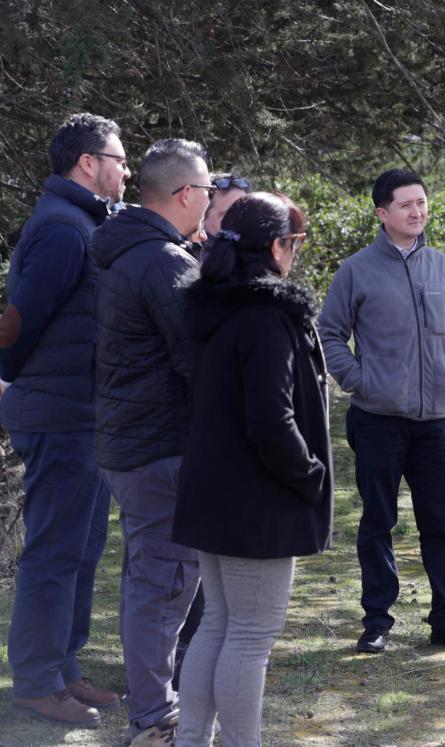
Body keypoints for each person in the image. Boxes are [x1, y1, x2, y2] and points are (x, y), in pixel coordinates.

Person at [173, 192, 332, 747]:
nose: (297, 254)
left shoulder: (218, 304)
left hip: (214, 492)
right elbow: (272, 419)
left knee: (220, 623)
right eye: (295, 243)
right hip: (254, 503)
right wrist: (310, 475)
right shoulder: (264, 314)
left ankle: (193, 739)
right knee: (249, 634)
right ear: (275, 247)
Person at [319, 168, 445, 654]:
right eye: (406, 204)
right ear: (382, 213)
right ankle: (376, 620)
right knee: (377, 522)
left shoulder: (443, 267)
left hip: (438, 421)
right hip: (377, 420)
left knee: (442, 524)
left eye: (422, 203)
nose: (417, 212)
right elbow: (329, 334)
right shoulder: (356, 270)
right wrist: (358, 380)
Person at [0, 113, 128, 727]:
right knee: (54, 550)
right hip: (58, 414)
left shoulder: (85, 222)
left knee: (83, 546)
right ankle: (35, 681)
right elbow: (18, 321)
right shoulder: (61, 228)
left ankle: (64, 668)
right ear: (88, 163)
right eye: (119, 158)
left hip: (85, 412)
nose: (126, 169)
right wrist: (11, 379)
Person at [92, 138, 211, 745]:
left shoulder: (131, 251)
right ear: (186, 195)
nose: (211, 199)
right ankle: (152, 719)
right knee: (163, 586)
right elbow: (198, 357)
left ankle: (151, 709)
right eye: (208, 189)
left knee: (152, 578)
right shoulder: (163, 263)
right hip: (158, 447)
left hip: (132, 442)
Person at [172, 171, 253, 684]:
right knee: (182, 565)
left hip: (228, 444)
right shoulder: (187, 274)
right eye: (230, 214)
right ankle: (178, 665)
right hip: (184, 437)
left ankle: (207, 658)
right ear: (207, 218)